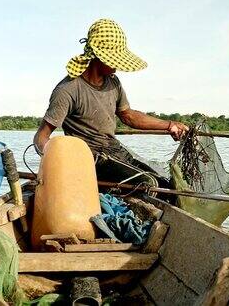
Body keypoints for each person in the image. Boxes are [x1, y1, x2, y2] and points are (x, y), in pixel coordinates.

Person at [33, 19, 189, 185]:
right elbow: (40, 138)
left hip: (114, 151)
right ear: (97, 56)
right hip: (91, 161)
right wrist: (62, 162)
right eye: (113, 58)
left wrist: (169, 124)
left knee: (164, 183)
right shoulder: (68, 90)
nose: (118, 64)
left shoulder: (113, 83)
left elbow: (128, 116)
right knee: (148, 183)